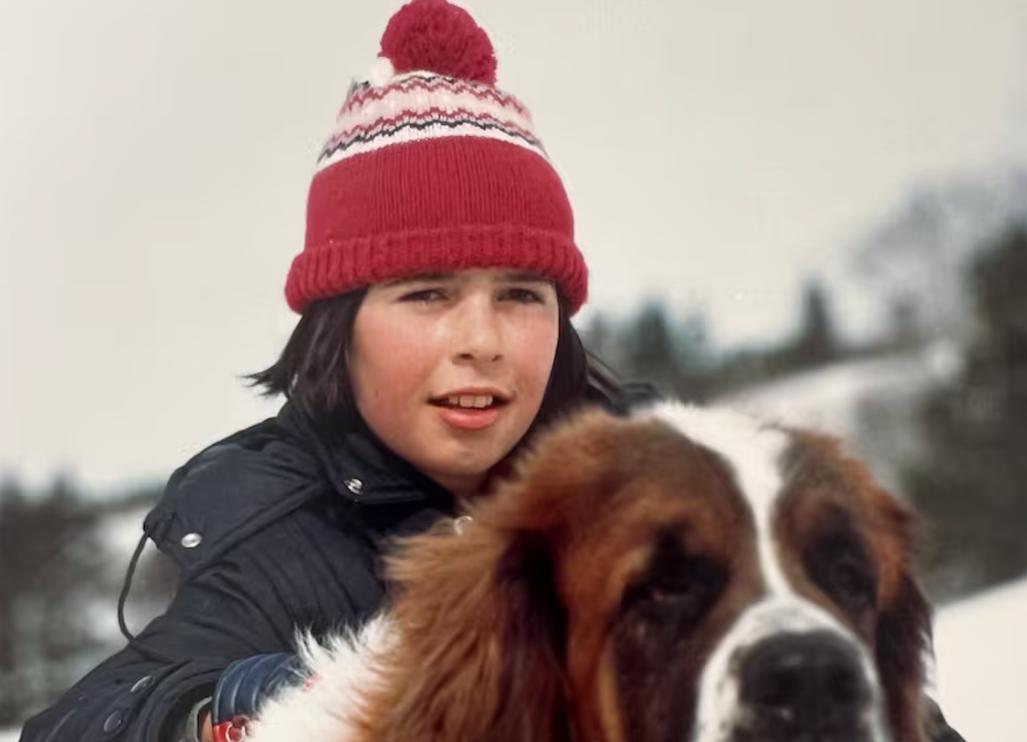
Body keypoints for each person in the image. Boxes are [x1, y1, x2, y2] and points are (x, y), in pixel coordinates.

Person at [20, 1, 652, 740]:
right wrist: (219, 712)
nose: (483, 341)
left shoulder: (654, 476)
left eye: (520, 295)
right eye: (428, 294)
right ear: (339, 325)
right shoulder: (273, 542)